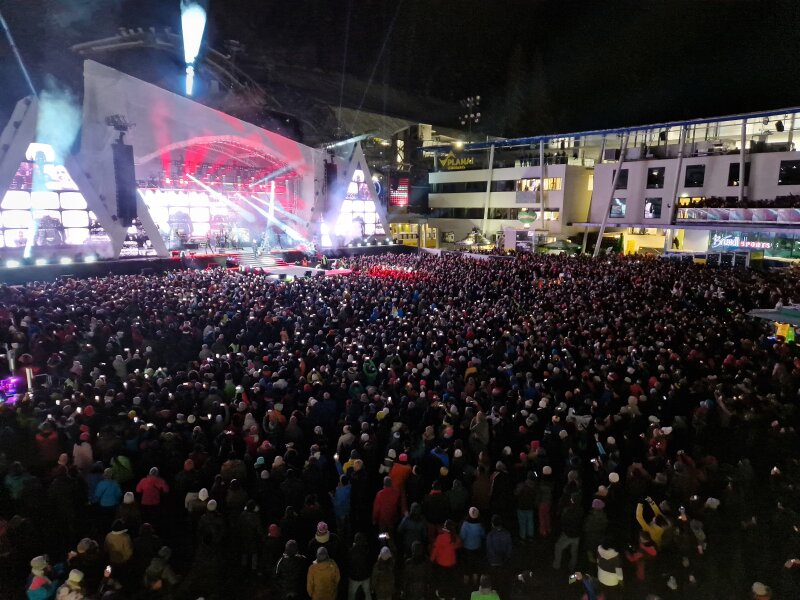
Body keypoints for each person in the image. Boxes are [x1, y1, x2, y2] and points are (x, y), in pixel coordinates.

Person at [552, 495, 583, 572]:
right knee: (574, 552)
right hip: (577, 535)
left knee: (558, 547)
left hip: (568, 534)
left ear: (573, 501)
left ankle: (556, 565)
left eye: (571, 499)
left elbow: (563, 521)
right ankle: (572, 567)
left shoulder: (569, 510)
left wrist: (564, 513)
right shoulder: (581, 510)